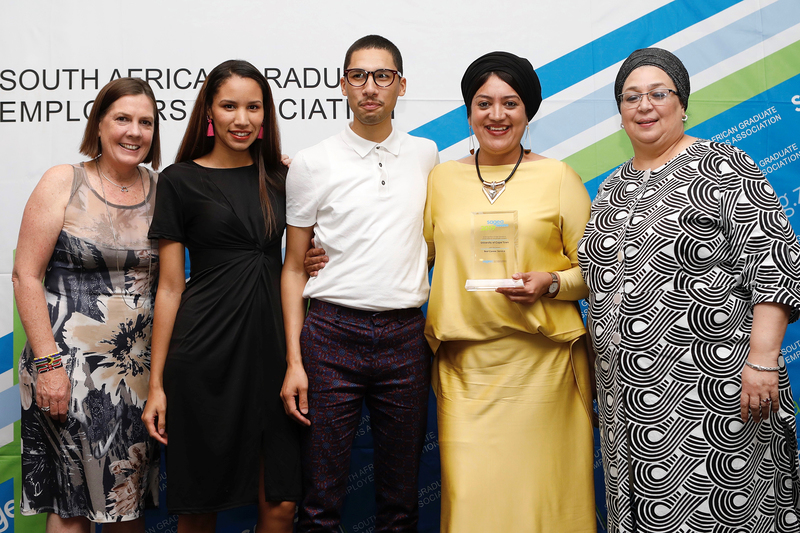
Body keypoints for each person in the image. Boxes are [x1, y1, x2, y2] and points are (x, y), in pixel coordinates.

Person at [578, 47, 800, 532]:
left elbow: (776, 265)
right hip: (626, 408)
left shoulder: (725, 165)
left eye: (659, 93)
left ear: (683, 103)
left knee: (724, 515)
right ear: (619, 113)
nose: (644, 105)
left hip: (715, 400)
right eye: (631, 96)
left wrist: (763, 360)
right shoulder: (611, 189)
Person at [423, 52, 596, 532]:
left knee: (546, 500)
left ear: (529, 110)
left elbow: (600, 272)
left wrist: (552, 282)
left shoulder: (558, 177)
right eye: (484, 103)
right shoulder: (440, 179)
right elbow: (414, 259)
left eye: (510, 103)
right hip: (466, 371)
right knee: (472, 504)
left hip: (545, 370)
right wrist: (324, 255)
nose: (496, 116)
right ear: (469, 110)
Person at [280, 35, 439, 532]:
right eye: (359, 76)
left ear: (401, 85)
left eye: (382, 76)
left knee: (401, 499)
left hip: (406, 335)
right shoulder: (312, 162)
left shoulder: (427, 155)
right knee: (320, 498)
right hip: (330, 335)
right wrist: (295, 361)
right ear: (343, 84)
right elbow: (291, 267)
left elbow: (431, 238)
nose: (370, 88)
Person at [142, 59, 301, 533]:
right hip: (203, 351)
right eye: (229, 106)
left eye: (254, 107)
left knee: (282, 500)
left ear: (266, 114)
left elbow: (300, 261)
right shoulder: (179, 179)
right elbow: (170, 286)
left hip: (273, 349)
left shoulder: (284, 177)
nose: (242, 119)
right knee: (199, 504)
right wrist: (157, 384)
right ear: (209, 111)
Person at [12, 77, 161, 532]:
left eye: (146, 122)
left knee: (126, 504)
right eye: (122, 119)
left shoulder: (164, 189)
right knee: (71, 507)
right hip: (65, 372)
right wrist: (49, 365)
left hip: (136, 377)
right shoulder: (64, 180)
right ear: (98, 124)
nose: (134, 131)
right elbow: (26, 275)